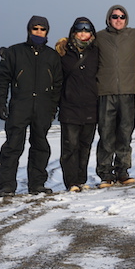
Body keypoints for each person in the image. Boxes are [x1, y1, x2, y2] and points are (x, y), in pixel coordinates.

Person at [0, 15, 62, 197]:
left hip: (42, 108)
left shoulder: (52, 56)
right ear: (29, 30)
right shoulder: (14, 52)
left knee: (40, 147)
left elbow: (58, 85)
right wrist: (1, 103)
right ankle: (6, 186)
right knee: (13, 146)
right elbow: (2, 80)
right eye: (35, 28)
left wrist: (52, 109)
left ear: (47, 32)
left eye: (42, 29)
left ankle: (37, 184)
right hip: (19, 107)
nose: (39, 32)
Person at [95, 5, 135, 188]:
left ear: (126, 19)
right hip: (105, 92)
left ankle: (122, 171)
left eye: (122, 16)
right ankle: (106, 174)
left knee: (125, 133)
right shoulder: (99, 37)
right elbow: (79, 43)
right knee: (106, 134)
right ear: (109, 19)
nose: (118, 19)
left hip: (128, 92)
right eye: (114, 16)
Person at [55, 17, 99, 192]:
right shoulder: (63, 52)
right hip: (69, 107)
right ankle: (71, 182)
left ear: (91, 33)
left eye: (87, 30)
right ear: (73, 32)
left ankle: (81, 179)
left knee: (85, 146)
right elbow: (55, 78)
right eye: (79, 30)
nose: (83, 33)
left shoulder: (96, 51)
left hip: (90, 106)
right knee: (69, 147)